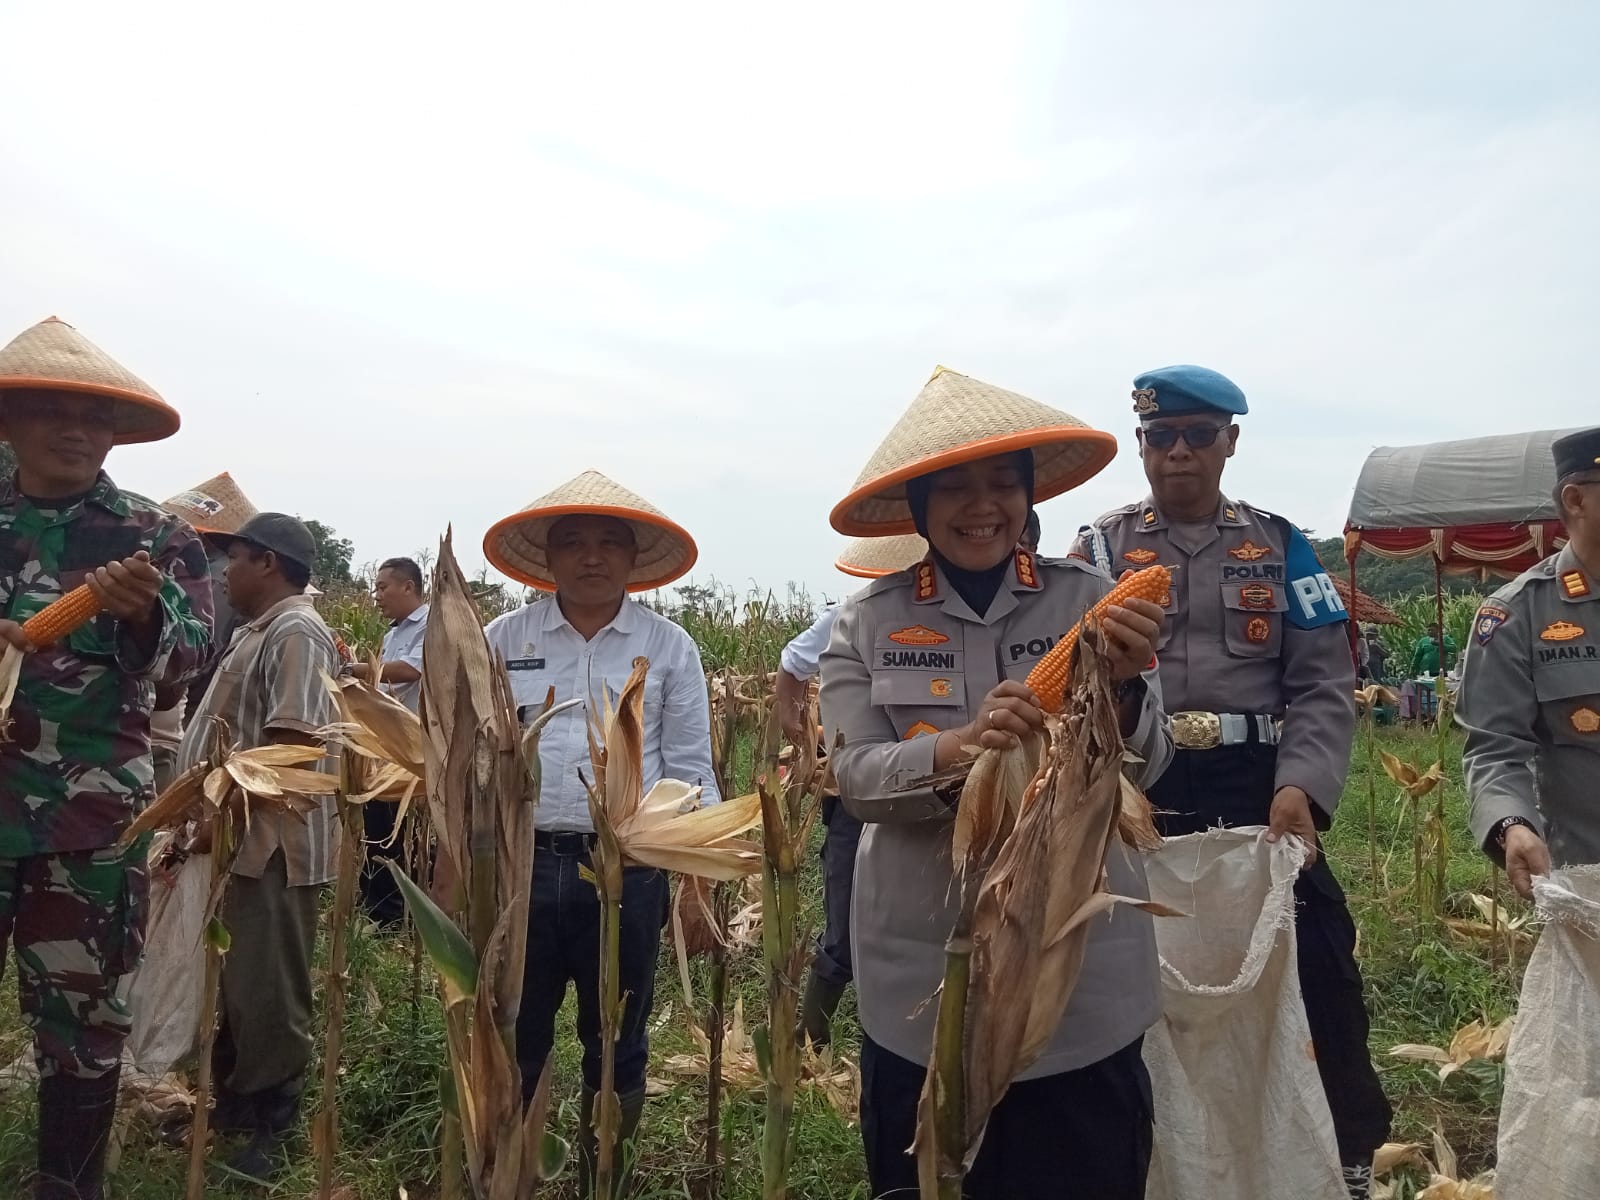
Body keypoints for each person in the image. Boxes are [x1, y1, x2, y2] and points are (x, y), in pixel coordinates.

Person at [821, 367, 1171, 1200]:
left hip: (1079, 980)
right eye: (954, 487)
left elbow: (1151, 763)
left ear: (1027, 496)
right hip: (925, 983)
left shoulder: (1092, 599)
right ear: (918, 506)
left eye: (1002, 484)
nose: (982, 506)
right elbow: (855, 778)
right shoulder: (864, 624)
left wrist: (1121, 690)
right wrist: (963, 749)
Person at [1074, 364, 1391, 1198]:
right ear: (1142, 445)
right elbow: (1070, 677)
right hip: (1139, 787)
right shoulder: (1099, 549)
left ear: (1231, 443)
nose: (1178, 452)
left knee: (1320, 961)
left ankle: (1347, 1154)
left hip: (1260, 783)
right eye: (1161, 437)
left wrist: (1303, 788)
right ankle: (1148, 1159)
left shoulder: (1278, 545)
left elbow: (1322, 682)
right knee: (1126, 974)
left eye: (1198, 435)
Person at [0, 316, 214, 1200]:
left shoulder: (154, 538)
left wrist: (142, 615)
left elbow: (189, 660)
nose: (78, 428)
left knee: (83, 1021)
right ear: (10, 420)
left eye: (95, 414)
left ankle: (68, 1187)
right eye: (54, 409)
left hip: (87, 824)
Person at [480, 469, 718, 1191]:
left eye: (609, 542)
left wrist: (696, 882)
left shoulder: (669, 647)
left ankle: (602, 1172)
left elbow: (691, 768)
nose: (591, 556)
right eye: (574, 542)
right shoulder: (502, 639)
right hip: (521, 865)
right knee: (516, 1026)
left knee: (616, 1034)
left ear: (632, 558)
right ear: (548, 557)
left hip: (630, 868)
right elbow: (469, 762)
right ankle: (512, 1168)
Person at [176, 514, 339, 1181]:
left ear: (267, 562)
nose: (223, 574)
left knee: (268, 987)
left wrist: (221, 818)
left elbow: (294, 747)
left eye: (234, 558)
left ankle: (274, 1123)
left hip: (271, 845)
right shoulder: (261, 629)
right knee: (239, 983)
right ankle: (238, 1105)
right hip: (237, 840)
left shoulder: (296, 630)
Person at [781, 533, 926, 1048]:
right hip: (858, 797)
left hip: (939, 794)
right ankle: (812, 1037)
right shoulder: (853, 615)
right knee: (845, 916)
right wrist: (811, 746)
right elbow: (792, 666)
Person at [1458, 426, 1600, 900]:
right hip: (1587, 881)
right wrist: (1512, 823)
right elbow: (1494, 748)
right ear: (1575, 500)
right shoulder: (1519, 614)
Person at [347, 556, 429, 927]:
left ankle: (395, 916)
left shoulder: (431, 624)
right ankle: (375, 905)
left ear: (408, 587)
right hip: (384, 747)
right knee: (377, 825)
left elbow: (411, 671)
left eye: (382, 587)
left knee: (400, 829)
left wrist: (349, 669)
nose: (376, 596)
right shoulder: (393, 635)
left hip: (415, 750)